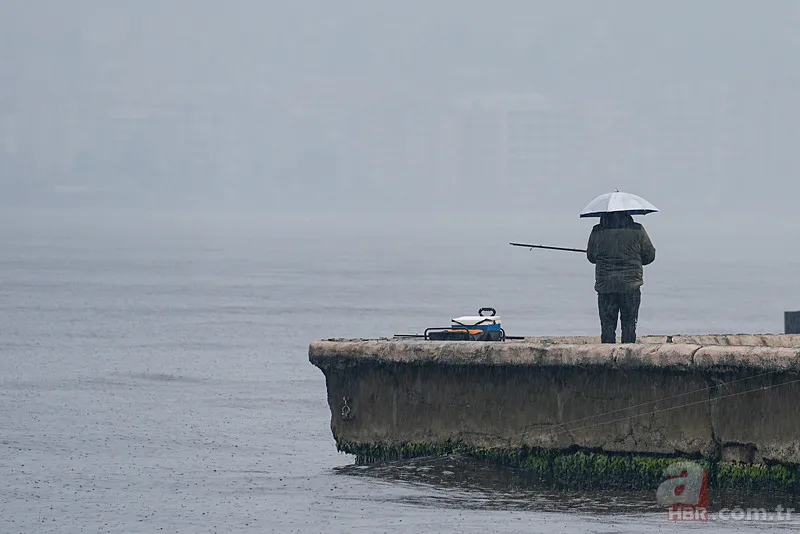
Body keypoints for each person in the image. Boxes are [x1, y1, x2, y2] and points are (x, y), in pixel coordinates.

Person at [586, 211, 656, 343]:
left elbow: (591, 257)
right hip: (630, 285)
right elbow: (649, 256)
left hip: (606, 286)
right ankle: (627, 355)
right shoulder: (638, 229)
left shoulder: (597, 231)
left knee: (607, 325)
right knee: (629, 323)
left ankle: (606, 357)